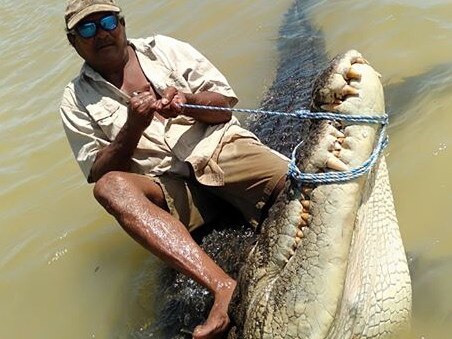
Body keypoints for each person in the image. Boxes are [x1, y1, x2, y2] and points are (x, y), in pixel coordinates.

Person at [60, 0, 289, 338]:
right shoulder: (74, 100)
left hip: (220, 152)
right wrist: (132, 127)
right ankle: (222, 287)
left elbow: (224, 107)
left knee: (308, 188)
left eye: (107, 21)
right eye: (88, 28)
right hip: (171, 189)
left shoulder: (165, 49)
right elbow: (100, 170)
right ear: (74, 41)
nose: (102, 33)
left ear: (122, 23)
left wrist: (188, 100)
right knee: (108, 188)